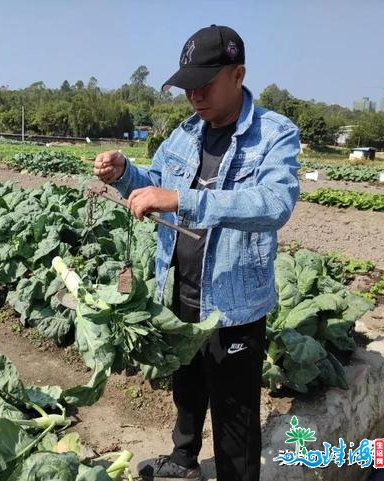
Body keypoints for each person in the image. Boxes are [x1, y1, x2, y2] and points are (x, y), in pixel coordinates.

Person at [93, 25, 300, 481]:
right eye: (188, 85)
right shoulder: (186, 134)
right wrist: (126, 172)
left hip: (233, 305)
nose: (195, 95)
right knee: (186, 388)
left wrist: (183, 201)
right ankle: (183, 458)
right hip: (180, 289)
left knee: (235, 414)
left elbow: (274, 203)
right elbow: (157, 181)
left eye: (205, 83)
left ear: (238, 73)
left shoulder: (274, 134)